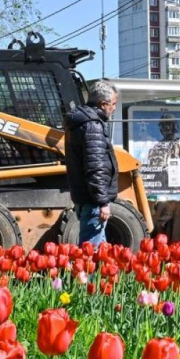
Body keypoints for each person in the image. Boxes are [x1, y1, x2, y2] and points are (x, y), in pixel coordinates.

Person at [64, 80, 119, 247]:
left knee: (100, 256)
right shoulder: (92, 126)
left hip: (86, 198)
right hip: (93, 201)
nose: (114, 108)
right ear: (103, 104)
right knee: (91, 256)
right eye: (113, 104)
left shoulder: (82, 122)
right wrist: (102, 202)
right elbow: (96, 167)